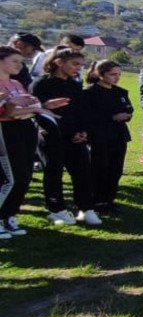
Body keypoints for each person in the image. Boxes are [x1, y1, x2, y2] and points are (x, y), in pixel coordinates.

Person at [31, 49, 102, 226]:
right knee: (54, 172)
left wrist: (83, 131)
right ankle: (57, 209)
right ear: (58, 62)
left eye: (80, 65)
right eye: (74, 64)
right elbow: (39, 113)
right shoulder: (41, 84)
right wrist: (66, 131)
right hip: (52, 136)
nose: (78, 68)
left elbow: (82, 111)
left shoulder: (74, 85)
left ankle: (86, 208)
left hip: (76, 137)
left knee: (82, 172)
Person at [0, 47, 58, 238]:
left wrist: (43, 107)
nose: (20, 65)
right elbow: (8, 112)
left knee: (24, 175)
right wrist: (16, 107)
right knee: (10, 177)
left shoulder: (16, 83)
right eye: (14, 61)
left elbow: (29, 107)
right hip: (6, 132)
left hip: (24, 129)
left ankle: (9, 215)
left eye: (21, 61)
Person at [84, 60, 133, 215]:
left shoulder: (121, 92)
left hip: (119, 135)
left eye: (119, 74)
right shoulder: (89, 93)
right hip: (99, 136)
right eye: (113, 74)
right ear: (100, 74)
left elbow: (128, 108)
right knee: (100, 168)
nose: (117, 78)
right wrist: (112, 117)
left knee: (116, 169)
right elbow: (88, 116)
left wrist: (126, 115)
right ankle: (97, 201)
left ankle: (109, 200)